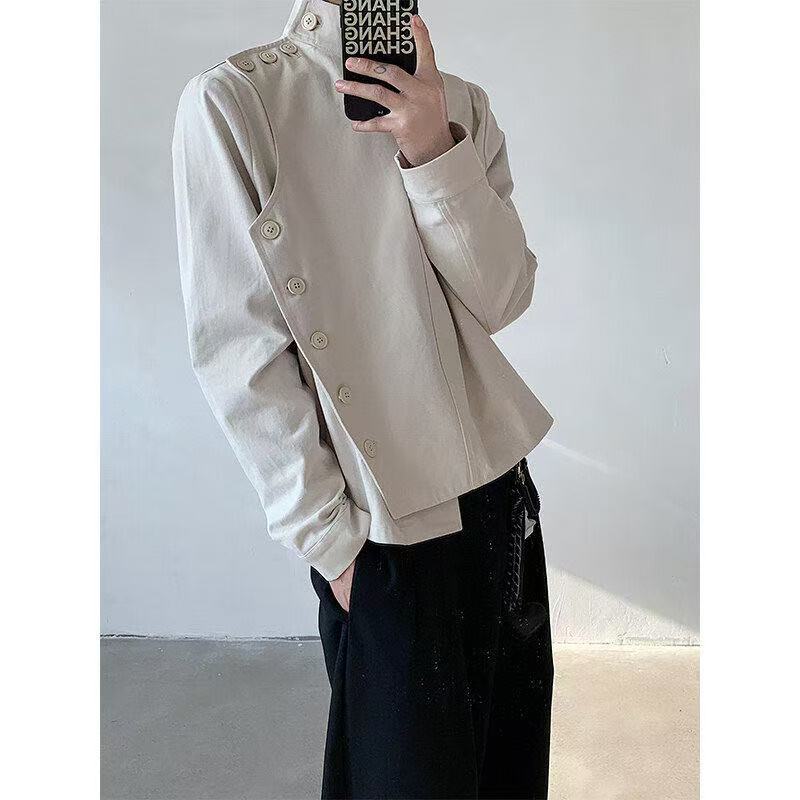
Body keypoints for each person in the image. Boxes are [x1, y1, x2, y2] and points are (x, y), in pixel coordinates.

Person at [172, 1, 554, 797]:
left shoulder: (460, 106)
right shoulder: (237, 102)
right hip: (383, 530)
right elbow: (239, 351)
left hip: (501, 500)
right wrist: (332, 545)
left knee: (508, 775)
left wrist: (431, 147)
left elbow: (503, 296)